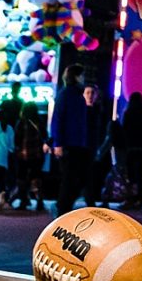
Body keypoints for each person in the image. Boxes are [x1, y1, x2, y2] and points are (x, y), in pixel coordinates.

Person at [50, 70, 100, 213]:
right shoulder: (67, 94)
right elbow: (58, 119)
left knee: (78, 178)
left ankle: (64, 208)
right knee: (70, 178)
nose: (83, 78)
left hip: (80, 144)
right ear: (76, 76)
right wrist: (57, 143)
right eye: (81, 74)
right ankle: (62, 209)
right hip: (71, 144)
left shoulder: (77, 96)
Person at [117, 91, 142, 209]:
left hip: (130, 149)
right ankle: (140, 199)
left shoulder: (127, 113)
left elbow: (123, 131)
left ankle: (130, 199)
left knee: (131, 175)